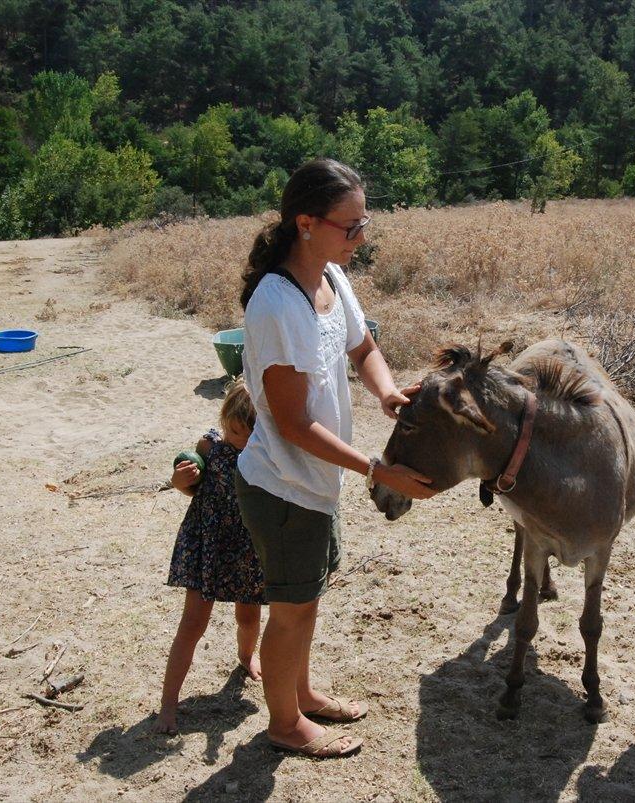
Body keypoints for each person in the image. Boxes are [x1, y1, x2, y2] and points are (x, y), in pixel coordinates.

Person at [235, 158, 436, 759]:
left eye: (363, 222)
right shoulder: (277, 304)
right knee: (291, 609)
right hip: (283, 485)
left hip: (314, 482)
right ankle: (283, 723)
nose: (362, 236)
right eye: (350, 226)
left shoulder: (330, 278)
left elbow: (363, 345)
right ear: (306, 222)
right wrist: (376, 469)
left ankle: (300, 694)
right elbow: (294, 424)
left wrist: (388, 392)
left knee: (306, 598)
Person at [155, 380, 264, 735]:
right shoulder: (211, 446)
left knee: (248, 616)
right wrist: (179, 480)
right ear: (224, 420)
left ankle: (247, 656)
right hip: (209, 543)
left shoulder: (268, 450)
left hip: (248, 547)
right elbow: (191, 487)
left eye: (249, 433)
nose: (240, 440)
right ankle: (168, 705)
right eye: (234, 431)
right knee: (192, 625)